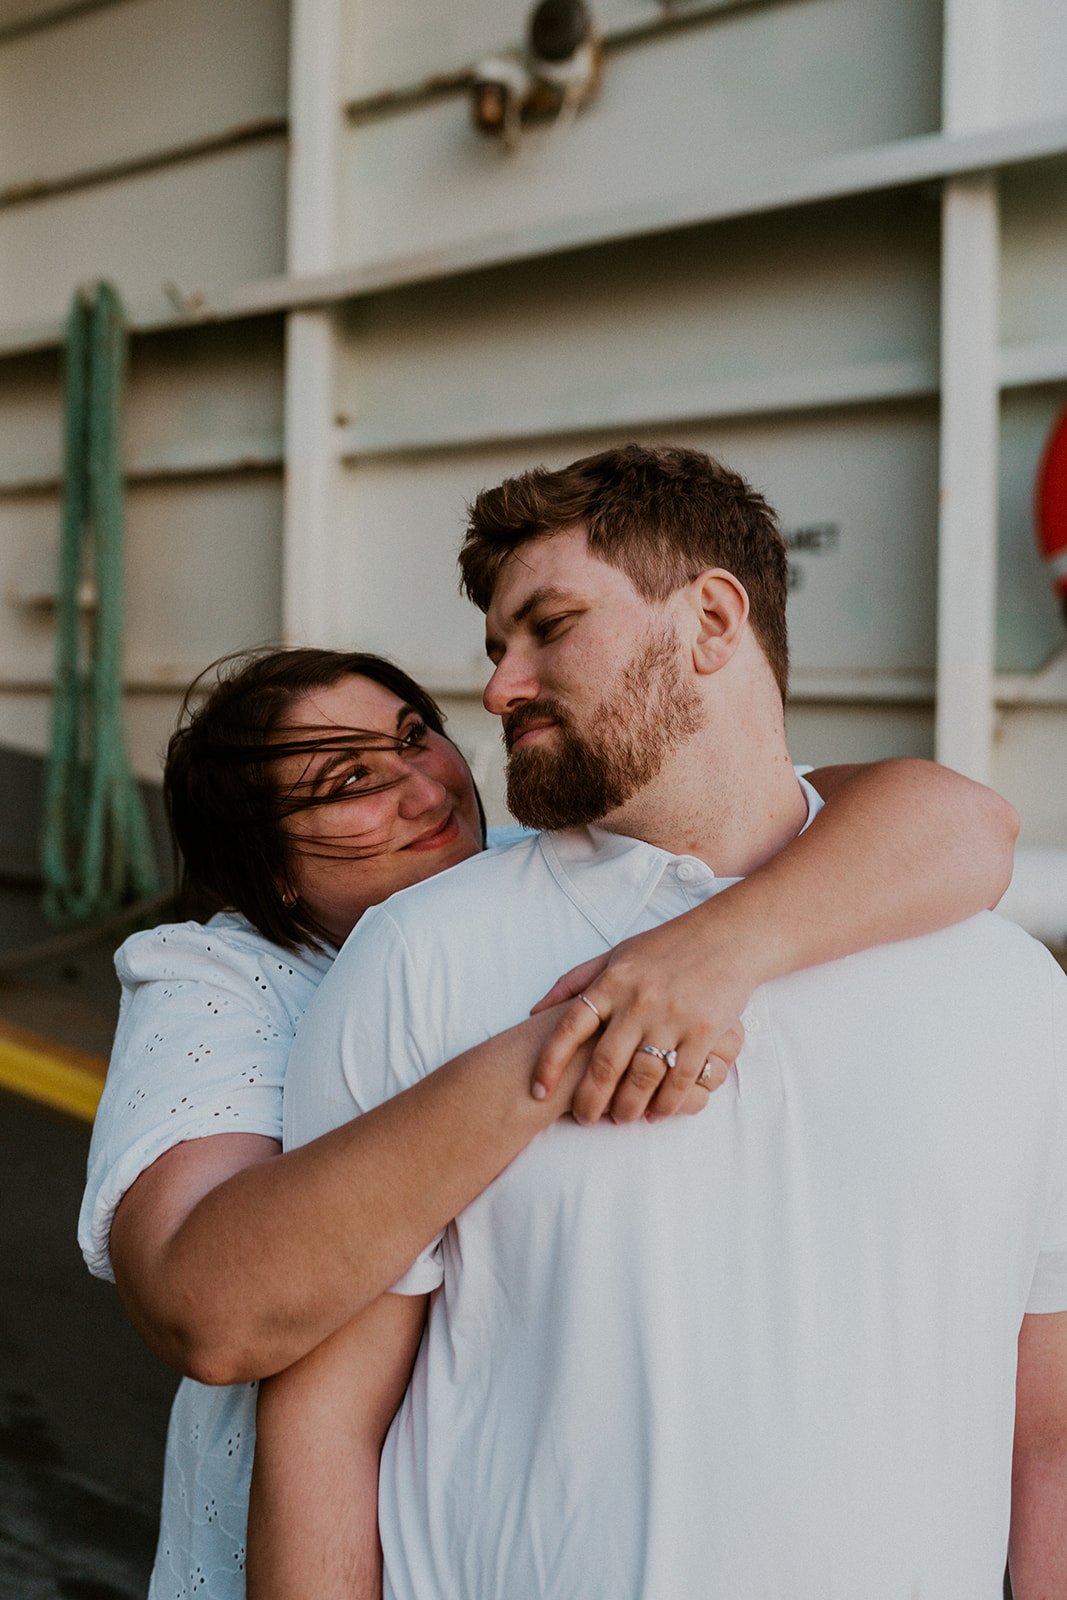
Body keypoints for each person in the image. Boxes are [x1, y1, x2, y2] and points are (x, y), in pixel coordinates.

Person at [269, 445, 1067, 1600]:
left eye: (547, 626)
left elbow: (1045, 1433)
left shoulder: (1007, 988)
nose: (498, 688)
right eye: (496, 647)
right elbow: (323, 1433)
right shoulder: (420, 957)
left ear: (709, 618)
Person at [80, 645, 1011, 1600]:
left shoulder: (536, 874)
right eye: (351, 779)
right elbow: (207, 1310)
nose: (422, 785)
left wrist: (713, 949)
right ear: (268, 867)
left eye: (413, 737)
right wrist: (575, 1041)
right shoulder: (218, 980)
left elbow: (961, 823)